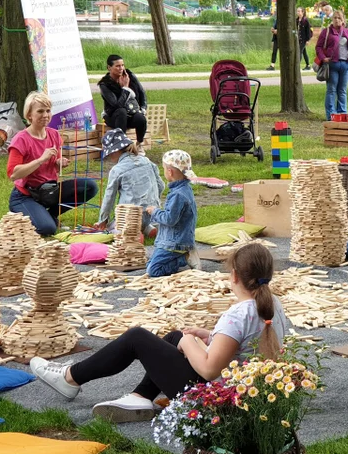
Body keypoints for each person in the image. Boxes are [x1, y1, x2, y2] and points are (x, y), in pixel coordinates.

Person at [29, 243, 290, 423]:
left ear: (234, 276)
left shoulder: (238, 313)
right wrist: (208, 337)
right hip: (244, 391)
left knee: (138, 337)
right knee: (175, 336)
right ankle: (140, 397)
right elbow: (246, 344)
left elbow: (210, 370)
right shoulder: (272, 305)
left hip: (218, 400)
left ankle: (70, 378)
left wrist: (191, 342)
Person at [7, 92, 99, 236]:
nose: (45, 115)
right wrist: (40, 160)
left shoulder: (54, 135)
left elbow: (52, 167)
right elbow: (13, 174)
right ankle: (25, 213)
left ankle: (49, 214)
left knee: (90, 186)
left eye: (48, 111)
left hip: (50, 191)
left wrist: (58, 163)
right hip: (26, 195)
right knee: (48, 229)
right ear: (29, 115)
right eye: (40, 111)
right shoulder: (21, 139)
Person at [94, 128, 164, 238]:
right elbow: (161, 185)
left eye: (110, 154)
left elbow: (109, 198)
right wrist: (154, 202)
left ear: (115, 151)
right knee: (147, 222)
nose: (110, 158)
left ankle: (132, 234)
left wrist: (103, 220)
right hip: (152, 213)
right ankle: (148, 227)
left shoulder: (117, 170)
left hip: (131, 216)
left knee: (110, 230)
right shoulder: (146, 161)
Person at [146, 149, 199, 277]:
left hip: (175, 242)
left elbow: (170, 219)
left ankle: (184, 258)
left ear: (170, 172)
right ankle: (180, 257)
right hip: (174, 239)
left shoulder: (178, 195)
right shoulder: (184, 188)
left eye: (164, 168)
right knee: (150, 264)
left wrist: (155, 211)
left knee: (153, 271)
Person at [315, 9, 348, 121]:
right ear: (332, 19)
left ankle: (342, 113)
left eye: (339, 18)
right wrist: (323, 58)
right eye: (335, 18)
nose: (336, 20)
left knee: (342, 90)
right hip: (332, 64)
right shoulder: (326, 32)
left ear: (343, 20)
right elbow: (318, 47)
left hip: (346, 65)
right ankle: (331, 114)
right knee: (332, 89)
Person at [98, 55, 147, 146]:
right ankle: (122, 145)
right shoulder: (104, 84)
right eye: (117, 66)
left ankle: (139, 144)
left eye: (122, 65)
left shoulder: (129, 75)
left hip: (130, 113)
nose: (121, 68)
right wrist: (125, 88)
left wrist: (143, 108)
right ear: (109, 67)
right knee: (121, 111)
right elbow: (117, 105)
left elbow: (141, 92)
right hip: (113, 116)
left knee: (140, 118)